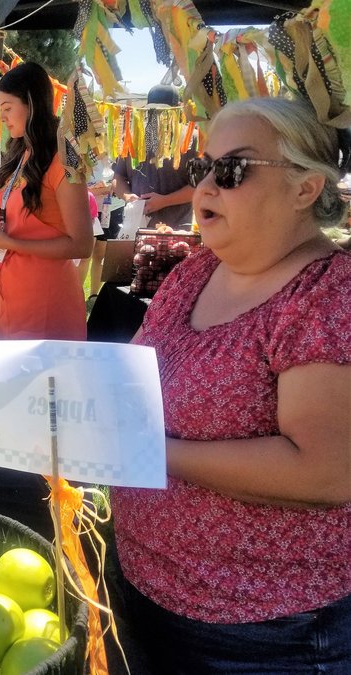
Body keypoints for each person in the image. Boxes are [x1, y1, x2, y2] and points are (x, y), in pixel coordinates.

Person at [110, 96, 351, 673]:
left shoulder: (327, 295)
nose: (205, 188)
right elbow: (130, 380)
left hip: (264, 634)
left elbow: (323, 472)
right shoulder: (195, 271)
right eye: (203, 167)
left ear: (305, 188)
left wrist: (146, 451)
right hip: (141, 592)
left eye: (233, 170)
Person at [0, 63, 94, 340]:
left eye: (8, 108)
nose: (2, 118)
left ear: (32, 104)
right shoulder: (20, 154)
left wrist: (10, 243)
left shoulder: (64, 160)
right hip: (11, 295)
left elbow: (83, 245)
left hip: (47, 300)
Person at [113, 84, 196, 229]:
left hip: (176, 229)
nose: (158, 115)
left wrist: (165, 201)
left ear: (177, 110)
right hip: (136, 227)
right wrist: (128, 196)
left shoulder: (190, 138)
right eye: (153, 110)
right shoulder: (133, 137)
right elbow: (118, 177)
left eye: (163, 111)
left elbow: (200, 186)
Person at [77, 159, 125, 303]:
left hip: (112, 210)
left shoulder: (116, 157)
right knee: (84, 256)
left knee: (101, 255)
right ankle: (76, 295)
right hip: (88, 211)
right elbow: (75, 187)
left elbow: (123, 183)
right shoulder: (84, 154)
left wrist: (114, 188)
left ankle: (94, 295)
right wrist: (102, 189)